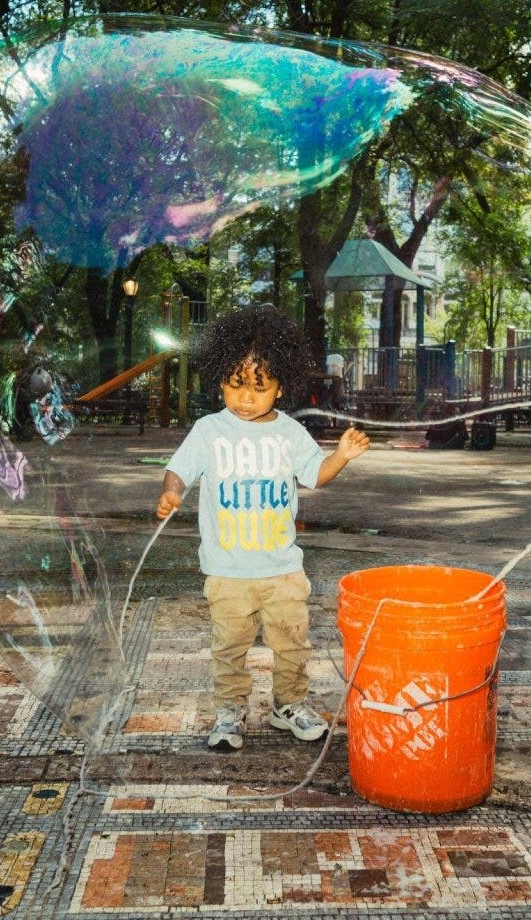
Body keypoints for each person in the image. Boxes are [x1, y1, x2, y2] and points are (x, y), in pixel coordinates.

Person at [156, 305, 370, 750]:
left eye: (260, 387)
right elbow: (179, 469)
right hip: (227, 571)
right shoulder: (208, 430)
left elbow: (315, 474)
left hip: (282, 570)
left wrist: (342, 457)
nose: (246, 398)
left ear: (280, 385)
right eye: (236, 386)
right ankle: (230, 712)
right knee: (228, 648)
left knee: (293, 645)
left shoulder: (290, 433)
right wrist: (172, 491)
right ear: (219, 379)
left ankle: (288, 704)